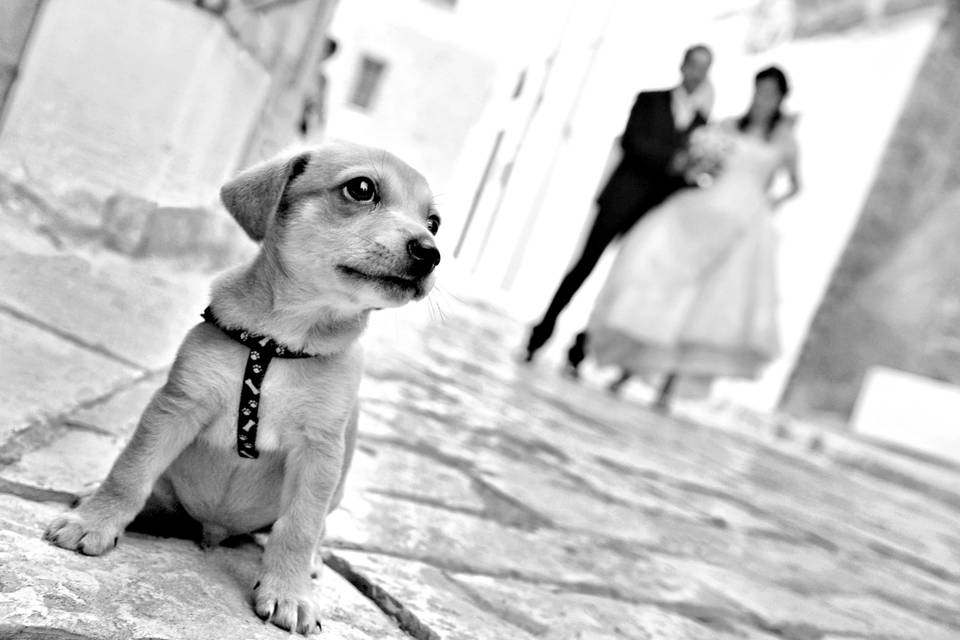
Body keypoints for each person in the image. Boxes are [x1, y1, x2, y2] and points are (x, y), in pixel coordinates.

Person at [587, 65, 801, 411]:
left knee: (705, 306)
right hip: (708, 210)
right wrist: (700, 168)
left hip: (744, 225)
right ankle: (631, 370)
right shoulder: (729, 126)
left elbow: (795, 185)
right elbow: (701, 164)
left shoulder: (785, 142)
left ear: (780, 98)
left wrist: (767, 206)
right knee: (670, 287)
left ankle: (668, 387)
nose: (762, 99)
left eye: (770, 94)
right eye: (759, 90)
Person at [522, 45, 715, 365]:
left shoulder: (702, 124)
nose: (697, 72)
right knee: (585, 265)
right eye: (693, 64)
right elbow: (633, 143)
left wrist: (697, 176)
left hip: (653, 213)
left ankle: (583, 345)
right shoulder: (650, 99)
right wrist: (673, 162)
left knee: (624, 283)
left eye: (704, 68)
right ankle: (545, 327)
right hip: (620, 198)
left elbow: (684, 173)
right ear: (682, 66)